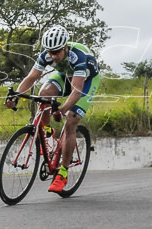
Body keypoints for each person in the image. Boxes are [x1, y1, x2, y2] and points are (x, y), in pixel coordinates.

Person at [6, 25, 100, 193]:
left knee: (71, 120)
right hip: (65, 76)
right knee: (44, 94)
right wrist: (16, 96)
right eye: (49, 52)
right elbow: (32, 77)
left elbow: (76, 92)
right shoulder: (46, 55)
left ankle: (62, 173)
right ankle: (48, 133)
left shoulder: (78, 58)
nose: (53, 56)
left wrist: (62, 110)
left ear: (65, 47)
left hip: (85, 82)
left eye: (56, 52)